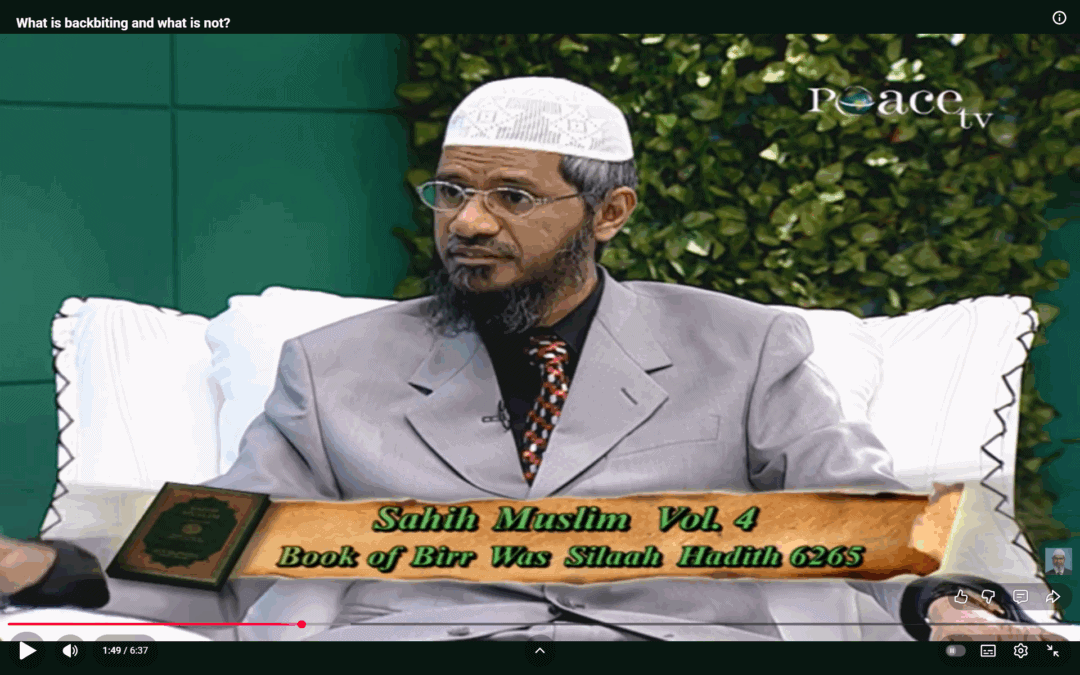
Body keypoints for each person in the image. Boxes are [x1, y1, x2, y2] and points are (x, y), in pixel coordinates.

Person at [1, 76, 1063, 642]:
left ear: (610, 212)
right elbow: (219, 543)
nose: (467, 222)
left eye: (511, 196)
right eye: (451, 191)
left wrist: (948, 605)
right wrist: (53, 572)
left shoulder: (744, 346)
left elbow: (863, 519)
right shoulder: (330, 368)